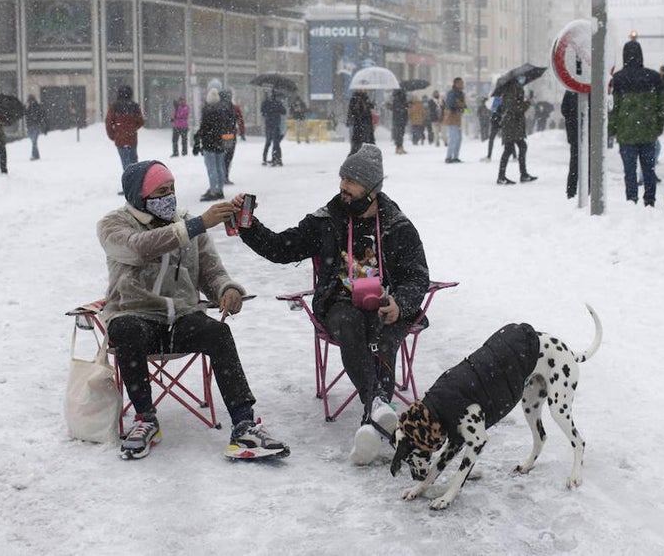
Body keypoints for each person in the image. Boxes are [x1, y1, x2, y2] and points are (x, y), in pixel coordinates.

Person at [233, 144, 429, 461]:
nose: (343, 187)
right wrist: (248, 225)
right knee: (350, 324)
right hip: (339, 303)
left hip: (384, 302)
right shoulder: (327, 219)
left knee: (384, 332)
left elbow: (417, 277)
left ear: (373, 189)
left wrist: (400, 303)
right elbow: (281, 248)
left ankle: (373, 421)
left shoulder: (397, 225)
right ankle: (377, 405)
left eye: (352, 182)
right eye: (342, 179)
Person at [97, 159, 289, 460]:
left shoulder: (186, 224)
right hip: (137, 315)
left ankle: (244, 425)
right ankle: (145, 420)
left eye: (172, 189)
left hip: (182, 317)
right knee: (125, 329)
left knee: (218, 332)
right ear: (140, 195)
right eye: (161, 191)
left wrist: (227, 290)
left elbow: (211, 272)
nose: (169, 196)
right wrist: (197, 224)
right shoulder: (113, 225)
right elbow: (138, 248)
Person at [609, 39, 664, 206]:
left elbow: (614, 107)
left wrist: (612, 129)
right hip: (648, 132)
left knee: (629, 171)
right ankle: (649, 200)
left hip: (626, 133)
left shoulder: (618, 78)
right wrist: (658, 125)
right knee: (649, 169)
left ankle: (631, 200)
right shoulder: (653, 77)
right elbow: (662, 105)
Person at [496, 78, 537, 184]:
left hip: (514, 124)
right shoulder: (511, 90)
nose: (523, 79)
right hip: (511, 124)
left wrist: (526, 101)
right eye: (521, 77)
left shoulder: (516, 89)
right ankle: (502, 177)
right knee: (509, 149)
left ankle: (522, 174)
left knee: (521, 147)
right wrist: (527, 102)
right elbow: (515, 108)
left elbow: (516, 106)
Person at [197, 88, 231, 201]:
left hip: (209, 144)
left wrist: (198, 139)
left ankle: (213, 191)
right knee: (220, 167)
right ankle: (219, 190)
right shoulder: (223, 110)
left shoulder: (207, 111)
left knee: (212, 168)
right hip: (220, 143)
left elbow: (204, 128)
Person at [105, 85, 144, 170]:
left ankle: (128, 180)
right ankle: (135, 180)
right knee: (134, 162)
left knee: (125, 163)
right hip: (132, 138)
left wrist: (113, 135)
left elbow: (108, 122)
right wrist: (132, 128)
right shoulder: (135, 106)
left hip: (120, 139)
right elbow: (141, 121)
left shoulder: (114, 106)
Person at [220, 89, 245, 182]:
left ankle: (220, 176)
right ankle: (225, 175)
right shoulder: (234, 108)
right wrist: (242, 132)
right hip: (231, 134)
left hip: (219, 135)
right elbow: (240, 121)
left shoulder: (216, 107)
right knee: (228, 156)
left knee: (220, 156)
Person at [561, 90, 581, 199]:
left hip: (574, 133)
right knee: (589, 163)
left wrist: (572, 120)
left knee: (574, 163)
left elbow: (564, 110)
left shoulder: (571, 89)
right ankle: (588, 190)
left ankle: (571, 191)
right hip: (587, 132)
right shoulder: (591, 87)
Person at [442, 77, 467, 163]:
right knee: (453, 138)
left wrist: (465, 109)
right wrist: (459, 108)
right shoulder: (451, 93)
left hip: (458, 119)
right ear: (456, 84)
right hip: (451, 118)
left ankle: (455, 156)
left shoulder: (461, 94)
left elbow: (464, 107)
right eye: (461, 83)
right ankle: (448, 157)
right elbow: (450, 106)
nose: (462, 85)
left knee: (459, 138)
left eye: (462, 83)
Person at [260, 89, 287, 167]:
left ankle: (264, 159)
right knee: (276, 143)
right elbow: (284, 112)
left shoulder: (266, 103)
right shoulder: (278, 103)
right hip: (276, 124)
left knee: (268, 142)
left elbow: (262, 112)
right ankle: (276, 158)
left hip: (268, 124)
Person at [24, 95, 48, 161]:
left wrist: (43, 126)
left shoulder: (37, 107)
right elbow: (26, 115)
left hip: (36, 126)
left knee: (34, 141)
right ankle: (37, 155)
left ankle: (34, 155)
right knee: (33, 142)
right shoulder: (28, 108)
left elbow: (42, 116)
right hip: (31, 126)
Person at [389, 89, 409, 155]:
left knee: (401, 134)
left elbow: (395, 108)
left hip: (400, 119)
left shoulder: (399, 98)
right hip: (399, 119)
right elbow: (398, 108)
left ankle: (400, 147)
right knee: (399, 134)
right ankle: (398, 147)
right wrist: (404, 107)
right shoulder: (398, 99)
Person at [483, 94, 503, 161]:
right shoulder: (502, 99)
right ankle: (514, 156)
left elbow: (493, 110)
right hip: (501, 121)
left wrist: (494, 113)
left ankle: (489, 156)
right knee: (507, 139)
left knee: (491, 139)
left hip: (496, 121)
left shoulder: (495, 99)